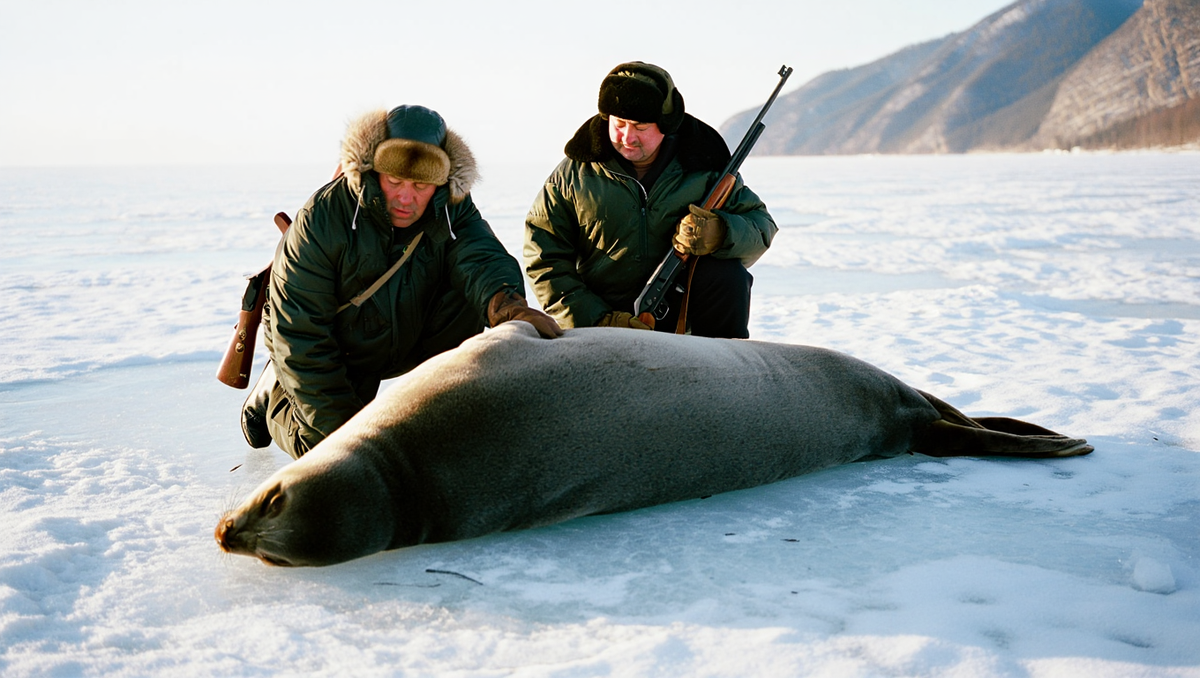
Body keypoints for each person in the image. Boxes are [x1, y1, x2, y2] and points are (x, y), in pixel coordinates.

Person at [242, 104, 561, 459]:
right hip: (336, 346)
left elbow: (481, 257)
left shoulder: (451, 206)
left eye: (421, 184)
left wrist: (508, 306)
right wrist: (351, 442)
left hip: (404, 332)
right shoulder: (321, 222)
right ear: (372, 170)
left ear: (441, 182)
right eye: (394, 181)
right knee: (333, 454)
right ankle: (273, 397)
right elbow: (301, 338)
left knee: (468, 297)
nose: (406, 198)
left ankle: (438, 405)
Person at [524, 61, 777, 338]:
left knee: (727, 275)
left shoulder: (705, 166)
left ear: (666, 124)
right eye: (618, 124)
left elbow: (761, 225)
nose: (627, 137)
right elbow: (543, 259)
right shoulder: (572, 176)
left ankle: (724, 369)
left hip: (684, 320)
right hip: (601, 322)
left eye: (640, 127)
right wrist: (599, 319)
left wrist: (721, 232)